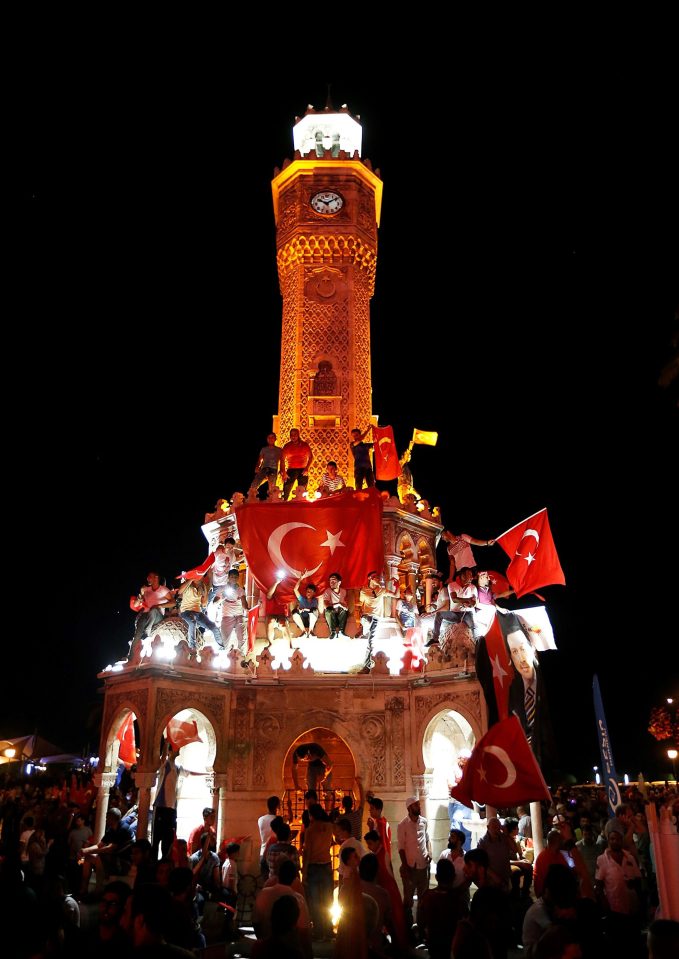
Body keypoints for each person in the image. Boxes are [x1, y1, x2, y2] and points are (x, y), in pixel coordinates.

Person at [79, 806, 134, 899]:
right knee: (88, 858)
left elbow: (109, 849)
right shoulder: (112, 829)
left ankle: (98, 890)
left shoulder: (123, 829)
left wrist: (87, 850)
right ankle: (84, 889)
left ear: (113, 818)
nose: (106, 819)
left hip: (124, 862)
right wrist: (86, 851)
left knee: (99, 858)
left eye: (107, 817)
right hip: (114, 858)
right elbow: (99, 845)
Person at [397, 795, 432, 931]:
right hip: (410, 867)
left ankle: (422, 928)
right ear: (409, 808)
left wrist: (429, 852)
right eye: (416, 805)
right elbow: (400, 848)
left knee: (423, 900)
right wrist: (405, 867)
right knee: (408, 900)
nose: (419, 807)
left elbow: (427, 838)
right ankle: (407, 928)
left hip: (423, 866)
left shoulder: (424, 822)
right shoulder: (402, 825)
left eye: (419, 804)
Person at [129, 570, 175, 657]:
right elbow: (136, 604)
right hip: (145, 615)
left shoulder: (163, 590)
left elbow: (173, 602)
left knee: (153, 611)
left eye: (150, 577)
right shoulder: (146, 590)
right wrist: (140, 595)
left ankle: (147, 634)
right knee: (137, 635)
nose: (147, 578)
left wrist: (159, 606)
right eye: (147, 577)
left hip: (157, 615)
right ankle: (131, 657)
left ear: (156, 578)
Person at [358, 571, 397, 672]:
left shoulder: (381, 590)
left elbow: (395, 595)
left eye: (378, 577)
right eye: (375, 577)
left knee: (370, 643)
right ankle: (363, 630)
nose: (378, 579)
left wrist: (396, 586)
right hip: (367, 616)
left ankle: (366, 666)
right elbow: (361, 603)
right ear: (370, 578)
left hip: (376, 618)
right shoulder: (363, 590)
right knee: (366, 619)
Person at [177, 571, 224, 653]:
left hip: (198, 612)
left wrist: (205, 591)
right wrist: (190, 579)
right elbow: (179, 591)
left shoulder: (202, 586)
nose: (200, 578)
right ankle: (192, 647)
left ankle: (221, 647)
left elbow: (204, 603)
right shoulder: (188, 585)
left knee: (213, 626)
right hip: (186, 611)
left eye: (202, 576)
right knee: (192, 622)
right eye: (199, 576)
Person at [151, 739, 180, 862]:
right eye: (176, 747)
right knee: (156, 838)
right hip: (161, 806)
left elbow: (190, 772)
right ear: (170, 751)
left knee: (168, 839)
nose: (179, 749)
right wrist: (167, 743)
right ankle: (153, 863)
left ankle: (164, 863)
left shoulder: (177, 768)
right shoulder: (166, 764)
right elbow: (162, 760)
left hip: (171, 809)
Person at [219, 567, 249, 652]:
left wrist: (247, 608)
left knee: (242, 638)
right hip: (227, 616)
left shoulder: (241, 590)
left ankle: (241, 656)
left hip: (239, 616)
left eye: (236, 577)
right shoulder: (222, 589)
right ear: (228, 577)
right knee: (224, 639)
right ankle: (223, 655)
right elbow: (215, 602)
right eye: (232, 577)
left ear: (238, 578)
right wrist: (222, 598)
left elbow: (244, 603)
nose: (234, 579)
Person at [281, 428, 313, 500]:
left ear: (298, 435)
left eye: (295, 434)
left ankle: (301, 504)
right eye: (291, 435)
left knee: (302, 490)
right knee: (286, 487)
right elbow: (282, 459)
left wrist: (307, 468)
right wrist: (283, 472)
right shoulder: (287, 446)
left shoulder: (304, 445)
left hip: (303, 470)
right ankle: (284, 502)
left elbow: (311, 457)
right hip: (291, 469)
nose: (293, 436)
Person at [250, 431, 283, 498]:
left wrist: (282, 470)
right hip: (264, 468)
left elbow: (282, 461)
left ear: (275, 439)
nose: (271, 439)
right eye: (269, 438)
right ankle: (251, 496)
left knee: (272, 485)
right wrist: (257, 466)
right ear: (267, 439)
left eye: (272, 437)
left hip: (273, 469)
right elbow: (260, 460)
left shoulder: (279, 450)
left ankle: (272, 498)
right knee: (256, 482)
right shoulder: (264, 449)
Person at [290, 573, 319, 638]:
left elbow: (314, 610)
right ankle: (303, 631)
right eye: (307, 591)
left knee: (313, 610)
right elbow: (295, 589)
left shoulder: (314, 600)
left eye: (310, 591)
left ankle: (310, 631)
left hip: (311, 620)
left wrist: (304, 609)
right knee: (294, 612)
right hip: (302, 619)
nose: (308, 593)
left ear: (314, 593)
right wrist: (301, 578)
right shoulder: (302, 599)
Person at [321, 571, 349, 638]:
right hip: (331, 615)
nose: (331, 583)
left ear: (339, 582)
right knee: (329, 610)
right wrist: (338, 604)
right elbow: (326, 606)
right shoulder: (327, 591)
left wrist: (343, 606)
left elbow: (346, 606)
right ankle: (332, 632)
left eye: (333, 581)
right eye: (330, 581)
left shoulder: (343, 591)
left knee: (344, 610)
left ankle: (341, 631)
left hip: (340, 615)